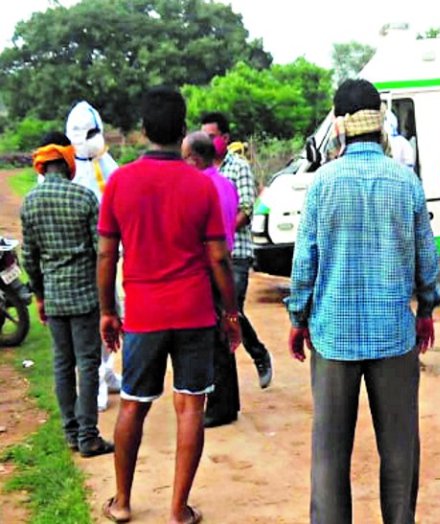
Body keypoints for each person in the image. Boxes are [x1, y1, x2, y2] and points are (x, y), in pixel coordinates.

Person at [285, 79, 440, 524]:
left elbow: (305, 261)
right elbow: (426, 258)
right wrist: (426, 310)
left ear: (339, 126)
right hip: (394, 336)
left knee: (329, 452)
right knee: (399, 449)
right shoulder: (406, 182)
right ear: (381, 121)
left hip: (333, 336)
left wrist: (298, 317)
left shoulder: (322, 184)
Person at [98, 87, 241, 524]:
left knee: (133, 404)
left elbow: (106, 254)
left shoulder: (120, 182)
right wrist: (231, 313)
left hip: (144, 313)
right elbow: (219, 258)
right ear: (183, 130)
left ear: (143, 129)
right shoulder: (201, 185)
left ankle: (122, 503)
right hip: (193, 311)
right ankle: (178, 510)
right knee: (190, 406)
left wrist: (108, 311)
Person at [21, 132, 114, 458]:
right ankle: (89, 436)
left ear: (42, 165)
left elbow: (29, 257)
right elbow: (101, 253)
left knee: (63, 363)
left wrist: (40, 296)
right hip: (86, 296)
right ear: (68, 160)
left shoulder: (30, 202)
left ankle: (72, 434)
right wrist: (108, 302)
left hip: (55, 297)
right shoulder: (84, 198)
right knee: (87, 363)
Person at [200, 112, 273, 390]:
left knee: (233, 309)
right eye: (204, 137)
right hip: (211, 254)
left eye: (212, 136)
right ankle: (224, 385)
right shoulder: (202, 169)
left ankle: (259, 355)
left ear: (225, 138)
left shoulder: (238, 167)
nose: (208, 141)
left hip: (237, 252)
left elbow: (246, 208)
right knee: (219, 312)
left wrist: (222, 234)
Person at [65, 100, 122, 412]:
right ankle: (94, 379)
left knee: (112, 315)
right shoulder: (64, 168)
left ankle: (106, 370)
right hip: (80, 261)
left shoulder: (106, 164)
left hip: (108, 257)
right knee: (89, 323)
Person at [182, 131, 241, 428]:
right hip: (225, 259)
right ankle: (228, 401)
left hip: (208, 264)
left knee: (214, 340)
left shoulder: (199, 187)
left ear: (194, 159)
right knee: (224, 334)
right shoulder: (226, 184)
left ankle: (220, 406)